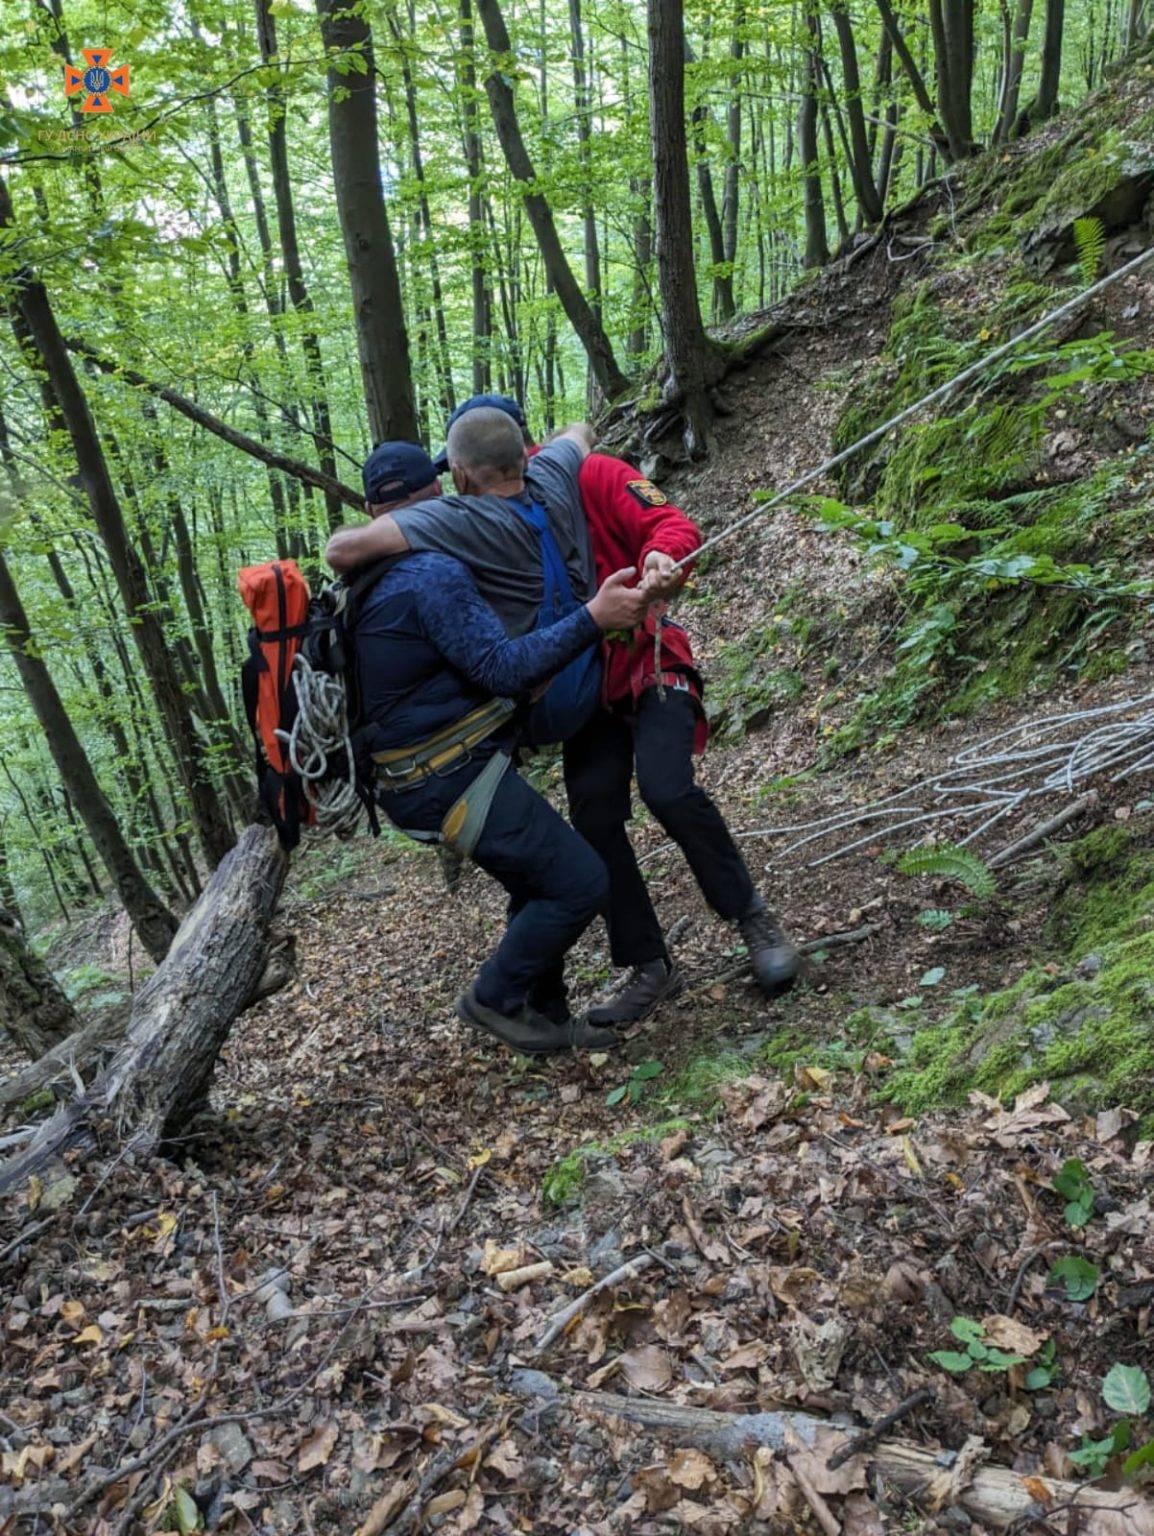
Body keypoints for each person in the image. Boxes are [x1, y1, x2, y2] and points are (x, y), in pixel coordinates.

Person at [329, 399, 802, 1026]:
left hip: (644, 660)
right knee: (594, 815)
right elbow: (575, 431)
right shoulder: (479, 519)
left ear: (472, 471)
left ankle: (753, 920)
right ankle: (650, 964)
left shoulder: (594, 474)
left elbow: (669, 522)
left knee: (668, 787)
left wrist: (662, 557)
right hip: (587, 693)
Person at [351, 435, 650, 1056]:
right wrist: (594, 617)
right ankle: (493, 999)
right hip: (446, 776)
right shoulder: (430, 573)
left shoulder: (367, 579)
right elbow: (502, 667)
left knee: (536, 879)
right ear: (433, 493)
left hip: (418, 776)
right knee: (578, 882)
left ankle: (547, 1013)